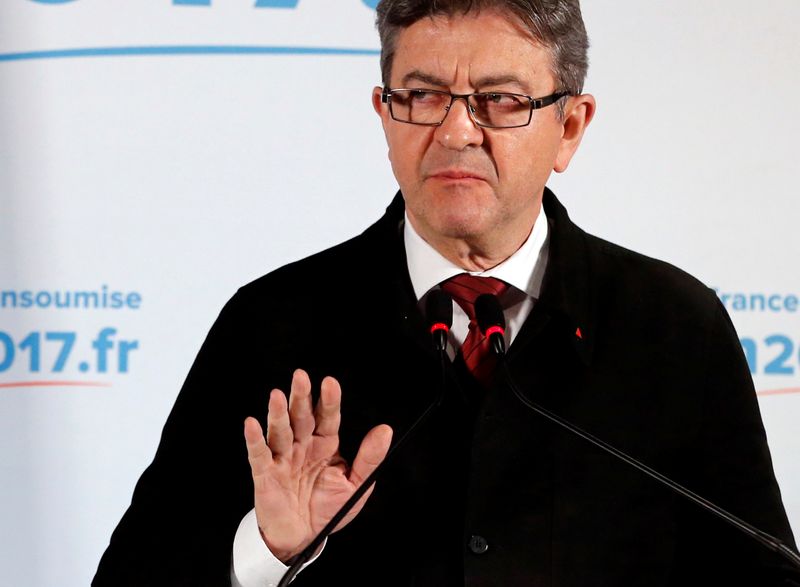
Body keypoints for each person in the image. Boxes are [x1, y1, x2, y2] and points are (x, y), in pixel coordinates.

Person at [93, 1, 799, 585]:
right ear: (385, 114)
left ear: (570, 128)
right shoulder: (272, 323)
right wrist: (267, 549)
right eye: (424, 96)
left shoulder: (674, 326)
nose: (457, 131)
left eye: (500, 100)